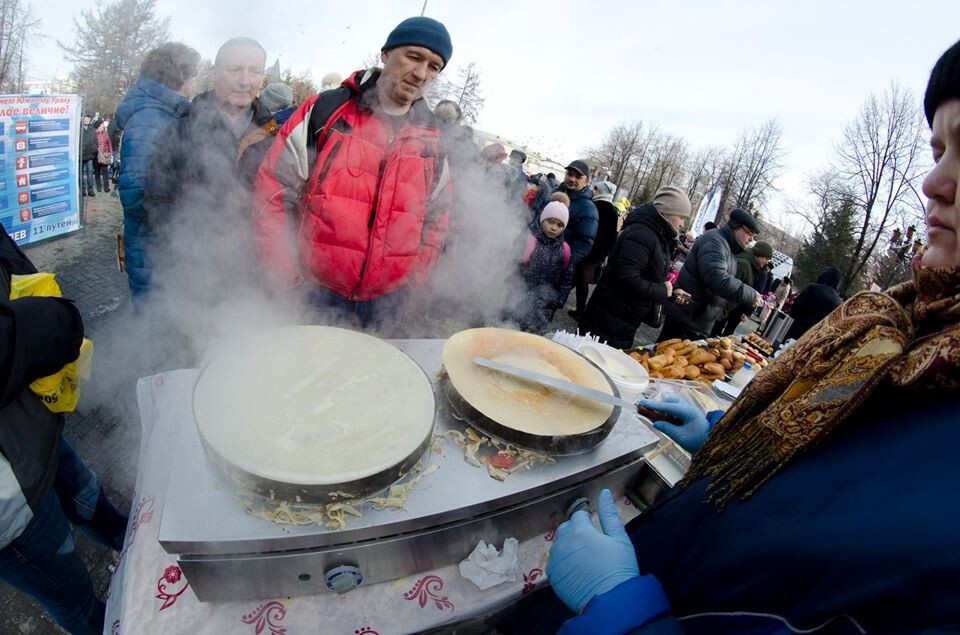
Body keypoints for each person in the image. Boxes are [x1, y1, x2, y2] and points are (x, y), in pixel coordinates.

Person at [521, 39, 960, 633]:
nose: (935, 181)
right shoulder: (900, 341)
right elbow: (819, 498)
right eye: (938, 148)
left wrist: (623, 613)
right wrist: (727, 442)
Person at [253, 17, 453, 328]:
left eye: (434, 66)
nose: (421, 73)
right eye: (414, 57)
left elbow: (437, 219)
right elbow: (274, 193)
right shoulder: (326, 110)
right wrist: (285, 277)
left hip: (386, 303)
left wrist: (411, 287)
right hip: (312, 293)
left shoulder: (433, 138)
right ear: (386, 54)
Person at [0, 231, 128, 634]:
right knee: (71, 595)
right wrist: (59, 322)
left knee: (91, 498)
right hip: (8, 501)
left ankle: (135, 550)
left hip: (33, 424)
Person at [144, 37, 280, 301]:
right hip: (196, 273)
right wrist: (181, 253)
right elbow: (157, 199)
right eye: (235, 69)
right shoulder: (183, 130)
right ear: (216, 75)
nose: (245, 80)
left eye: (254, 71)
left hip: (253, 276)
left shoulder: (274, 136)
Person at [114, 42, 200, 303]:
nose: (194, 83)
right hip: (154, 254)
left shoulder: (163, 112)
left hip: (157, 250)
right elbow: (135, 193)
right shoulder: (150, 118)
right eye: (194, 75)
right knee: (160, 333)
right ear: (180, 76)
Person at [578, 185, 691, 349]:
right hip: (607, 322)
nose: (682, 223)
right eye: (682, 217)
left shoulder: (658, 236)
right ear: (667, 212)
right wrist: (662, 290)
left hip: (622, 321)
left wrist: (671, 293)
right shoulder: (642, 234)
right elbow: (627, 280)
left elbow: (648, 275)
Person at [658, 208, 763, 341]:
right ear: (737, 227)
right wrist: (750, 295)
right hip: (687, 318)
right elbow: (716, 277)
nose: (751, 240)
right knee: (664, 355)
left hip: (697, 320)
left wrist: (718, 314)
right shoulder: (715, 241)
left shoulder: (728, 247)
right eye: (750, 234)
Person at [508, 201, 574, 333]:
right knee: (512, 333)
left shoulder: (564, 250)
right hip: (520, 301)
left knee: (533, 339)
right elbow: (513, 267)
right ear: (542, 220)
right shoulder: (529, 241)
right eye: (551, 222)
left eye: (559, 225)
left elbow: (567, 278)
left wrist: (559, 299)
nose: (554, 228)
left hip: (545, 308)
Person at [569, 180, 619, 319]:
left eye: (595, 189)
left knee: (580, 280)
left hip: (587, 249)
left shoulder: (594, 206)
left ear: (601, 191)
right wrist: (603, 254)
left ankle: (579, 312)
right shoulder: (613, 211)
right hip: (598, 254)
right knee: (578, 277)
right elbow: (611, 237)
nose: (593, 191)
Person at [712, 239, 773, 336]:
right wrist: (722, 313)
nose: (767, 262)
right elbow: (728, 288)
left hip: (724, 310)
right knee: (714, 333)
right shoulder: (745, 264)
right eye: (767, 259)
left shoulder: (751, 265)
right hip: (720, 310)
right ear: (760, 255)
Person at [783, 266, 843, 341]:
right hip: (812, 338)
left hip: (796, 328)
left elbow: (797, 304)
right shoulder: (838, 302)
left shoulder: (813, 288)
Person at [558, 159, 599, 268]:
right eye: (569, 174)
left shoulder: (588, 209)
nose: (572, 179)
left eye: (578, 177)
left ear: (586, 181)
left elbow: (582, 245)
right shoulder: (554, 194)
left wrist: (560, 263)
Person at [92, 118, 113, 193]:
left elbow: (109, 143)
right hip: (96, 156)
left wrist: (110, 153)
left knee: (105, 172)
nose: (103, 127)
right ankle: (99, 187)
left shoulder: (105, 133)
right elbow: (92, 144)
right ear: (98, 126)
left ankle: (106, 187)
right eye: (102, 125)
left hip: (104, 155)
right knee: (97, 172)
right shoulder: (94, 134)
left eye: (103, 125)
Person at [79, 114, 96, 197]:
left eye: (88, 119)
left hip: (89, 154)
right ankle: (82, 190)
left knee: (90, 172)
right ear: (82, 119)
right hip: (80, 154)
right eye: (85, 119)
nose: (87, 120)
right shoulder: (78, 128)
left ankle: (90, 189)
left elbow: (95, 139)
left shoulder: (92, 128)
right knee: (81, 173)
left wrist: (95, 148)